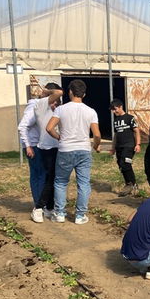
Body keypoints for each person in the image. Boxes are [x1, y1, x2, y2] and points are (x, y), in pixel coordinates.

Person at [45, 79, 101, 224]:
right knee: (83, 183)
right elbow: (97, 135)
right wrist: (96, 145)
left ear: (70, 92)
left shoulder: (61, 109)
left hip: (65, 150)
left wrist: (59, 137)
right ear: (84, 93)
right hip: (83, 149)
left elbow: (49, 128)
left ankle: (59, 213)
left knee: (61, 182)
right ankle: (80, 215)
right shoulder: (91, 111)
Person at [19, 83, 63, 220]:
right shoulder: (36, 106)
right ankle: (38, 205)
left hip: (43, 145)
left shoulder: (50, 108)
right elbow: (22, 126)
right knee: (39, 175)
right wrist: (28, 146)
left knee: (47, 176)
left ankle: (46, 206)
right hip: (34, 145)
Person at [109, 99, 141, 196]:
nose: (114, 112)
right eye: (112, 110)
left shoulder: (130, 118)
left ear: (120, 107)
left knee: (125, 163)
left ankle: (132, 184)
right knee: (121, 165)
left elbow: (137, 131)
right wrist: (113, 147)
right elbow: (116, 135)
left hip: (129, 145)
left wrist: (138, 144)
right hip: (119, 146)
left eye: (115, 109)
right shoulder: (116, 121)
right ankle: (129, 183)